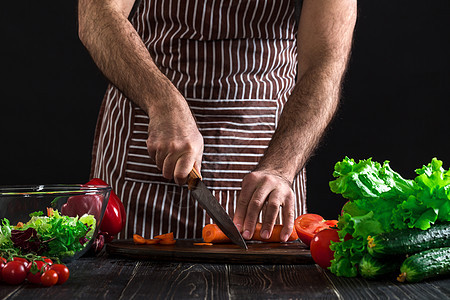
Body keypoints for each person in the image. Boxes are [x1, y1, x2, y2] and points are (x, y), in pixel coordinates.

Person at [78, 0, 357, 242]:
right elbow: (97, 14)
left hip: (266, 150)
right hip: (146, 137)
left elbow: (325, 63)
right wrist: (162, 102)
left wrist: (281, 167)